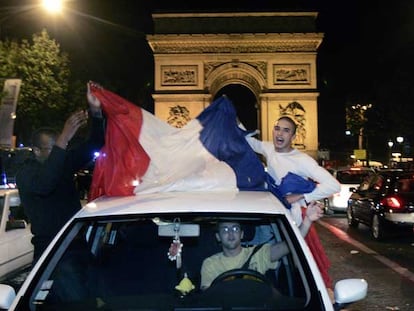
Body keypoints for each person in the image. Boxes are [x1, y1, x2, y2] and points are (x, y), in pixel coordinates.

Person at [244, 116, 340, 290]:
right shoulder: (269, 148)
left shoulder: (302, 160)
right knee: (267, 263)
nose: (280, 133)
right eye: (277, 128)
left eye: (286, 130)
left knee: (293, 267)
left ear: (294, 137)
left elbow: (333, 185)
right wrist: (230, 117)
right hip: (272, 218)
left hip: (293, 221)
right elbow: (248, 141)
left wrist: (301, 197)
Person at [16, 82, 105, 263]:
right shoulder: (26, 173)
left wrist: (96, 112)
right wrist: (64, 138)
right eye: (53, 147)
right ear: (37, 150)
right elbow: (45, 185)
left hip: (75, 244)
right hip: (49, 250)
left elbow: (95, 143)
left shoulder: (62, 163)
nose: (60, 150)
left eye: (61, 146)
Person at [200, 201, 324, 290]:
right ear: (218, 237)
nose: (231, 233)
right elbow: (208, 298)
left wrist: (307, 220)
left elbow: (290, 244)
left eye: (235, 229)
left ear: (242, 234)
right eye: (225, 230)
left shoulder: (258, 254)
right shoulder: (210, 263)